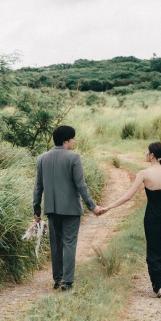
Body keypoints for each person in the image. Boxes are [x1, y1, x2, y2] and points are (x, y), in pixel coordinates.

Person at [102, 141, 161, 297]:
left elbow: (128, 197)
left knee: (153, 247)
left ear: (152, 155)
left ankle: (158, 284)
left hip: (152, 215)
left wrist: (108, 207)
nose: (145, 154)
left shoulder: (143, 174)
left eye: (146, 152)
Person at [33, 125, 104, 291]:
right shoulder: (74, 158)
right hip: (71, 209)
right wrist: (92, 206)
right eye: (72, 138)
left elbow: (38, 187)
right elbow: (81, 185)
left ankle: (57, 279)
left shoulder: (42, 158)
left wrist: (36, 209)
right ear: (66, 140)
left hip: (51, 208)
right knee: (69, 243)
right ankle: (67, 281)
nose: (74, 141)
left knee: (56, 244)